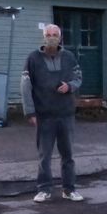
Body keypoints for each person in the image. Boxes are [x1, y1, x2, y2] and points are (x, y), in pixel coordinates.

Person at [21, 24, 83, 202]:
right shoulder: (32, 58)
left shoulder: (69, 57)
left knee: (68, 155)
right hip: (44, 115)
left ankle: (69, 189)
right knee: (44, 155)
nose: (51, 37)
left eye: (55, 34)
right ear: (43, 37)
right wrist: (30, 111)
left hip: (66, 114)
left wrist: (70, 86)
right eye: (48, 34)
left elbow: (78, 77)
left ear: (60, 37)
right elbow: (25, 86)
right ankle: (44, 189)